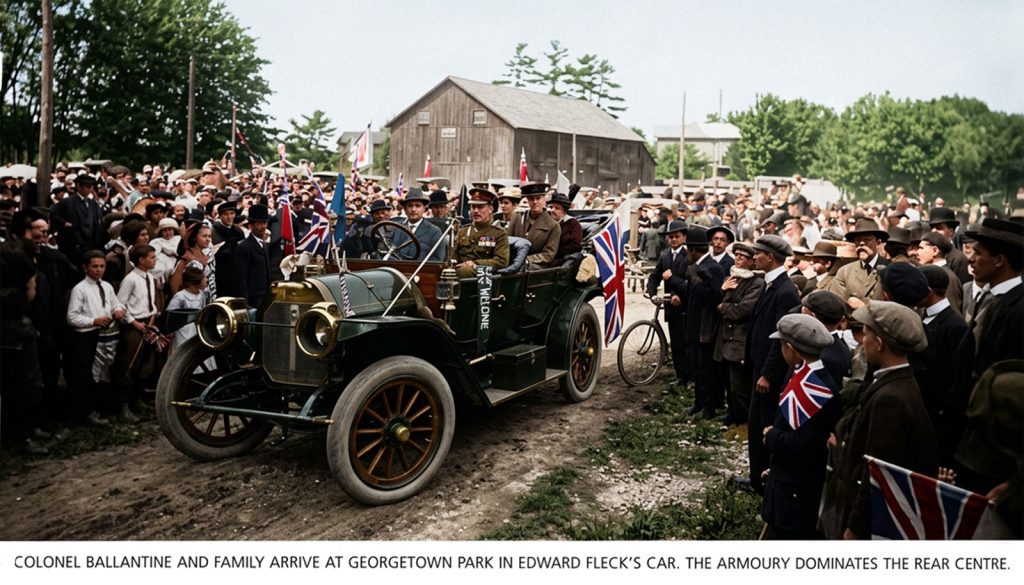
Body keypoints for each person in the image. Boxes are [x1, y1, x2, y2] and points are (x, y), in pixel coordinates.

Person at [820, 301, 935, 540]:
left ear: (879, 344)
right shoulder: (896, 382)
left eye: (867, 334)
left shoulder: (890, 399)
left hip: (867, 523)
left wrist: (855, 526)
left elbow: (877, 473)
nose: (863, 340)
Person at [761, 314, 841, 539]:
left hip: (796, 490)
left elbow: (802, 444)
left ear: (791, 348)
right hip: (789, 480)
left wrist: (772, 436)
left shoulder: (814, 388)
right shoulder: (808, 376)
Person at [743, 234, 801, 494]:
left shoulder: (785, 290)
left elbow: (781, 340)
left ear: (771, 257)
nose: (754, 257)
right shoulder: (771, 284)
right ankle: (757, 477)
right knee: (755, 424)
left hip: (769, 373)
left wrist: (767, 373)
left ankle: (763, 481)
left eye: (758, 253)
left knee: (763, 425)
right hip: (759, 365)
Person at [66, 250, 126, 426]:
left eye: (102, 266)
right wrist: (93, 320)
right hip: (89, 338)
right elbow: (72, 317)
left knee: (107, 372)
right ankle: (86, 411)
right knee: (90, 374)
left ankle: (103, 406)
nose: (99, 270)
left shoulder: (106, 286)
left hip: (109, 335)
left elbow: (115, 302)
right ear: (85, 268)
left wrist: (118, 309)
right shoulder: (80, 289)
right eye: (95, 266)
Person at [714, 242, 763, 426]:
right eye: (737, 256)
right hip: (725, 337)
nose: (738, 259)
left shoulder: (756, 283)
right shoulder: (731, 279)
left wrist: (723, 307)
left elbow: (744, 309)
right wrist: (722, 290)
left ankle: (742, 420)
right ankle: (732, 412)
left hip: (740, 338)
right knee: (727, 380)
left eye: (743, 257)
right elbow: (716, 301)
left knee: (739, 384)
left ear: (752, 262)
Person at [915, 265, 968, 437]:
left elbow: (956, 378)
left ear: (929, 291)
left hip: (937, 416)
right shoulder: (923, 316)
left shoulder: (955, 326)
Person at [112, 244, 161, 424]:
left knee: (144, 366)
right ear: (141, 260)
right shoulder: (131, 279)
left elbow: (150, 301)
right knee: (128, 365)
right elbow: (120, 304)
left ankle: (137, 401)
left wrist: (152, 316)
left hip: (148, 323)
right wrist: (134, 322)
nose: (155, 260)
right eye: (152, 257)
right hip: (134, 327)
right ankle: (122, 407)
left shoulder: (149, 276)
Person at [685, 226, 728, 418]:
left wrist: (697, 283)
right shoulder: (700, 267)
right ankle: (699, 403)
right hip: (696, 325)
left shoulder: (712, 267)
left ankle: (709, 408)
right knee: (697, 367)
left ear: (693, 250)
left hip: (707, 328)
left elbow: (717, 297)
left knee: (707, 369)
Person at [646, 220, 690, 386]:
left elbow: (690, 283)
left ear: (684, 237)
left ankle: (691, 377)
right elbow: (655, 276)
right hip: (671, 307)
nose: (673, 240)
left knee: (687, 343)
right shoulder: (665, 255)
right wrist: (651, 293)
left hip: (686, 306)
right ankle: (680, 377)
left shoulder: (689, 256)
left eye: (677, 236)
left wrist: (676, 287)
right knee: (676, 342)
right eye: (670, 237)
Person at [826, 217, 890, 308]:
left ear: (878, 242)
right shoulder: (845, 272)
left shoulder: (890, 269)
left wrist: (863, 307)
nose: (861, 244)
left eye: (867, 240)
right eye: (858, 240)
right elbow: (837, 305)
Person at [51, 173, 105, 266]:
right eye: (87, 186)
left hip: (90, 242)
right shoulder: (68, 202)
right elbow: (52, 213)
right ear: (78, 186)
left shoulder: (92, 203)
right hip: (74, 242)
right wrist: (64, 223)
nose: (89, 189)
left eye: (91, 186)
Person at [453, 188, 509, 278]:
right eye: (473, 207)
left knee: (464, 271)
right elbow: (454, 256)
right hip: (461, 269)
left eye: (480, 207)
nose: (475, 211)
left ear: (490, 209)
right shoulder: (463, 231)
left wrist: (475, 263)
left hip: (483, 274)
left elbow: (501, 261)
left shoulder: (499, 233)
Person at [508, 182, 560, 269]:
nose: (535, 202)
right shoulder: (517, 217)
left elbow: (548, 255)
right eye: (531, 199)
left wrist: (526, 260)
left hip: (534, 266)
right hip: (513, 261)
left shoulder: (553, 226)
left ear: (544, 199)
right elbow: (508, 241)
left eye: (538, 198)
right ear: (527, 200)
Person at [913, 232, 963, 315]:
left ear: (935, 250)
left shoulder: (948, 277)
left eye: (921, 248)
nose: (917, 252)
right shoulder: (930, 273)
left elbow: (952, 312)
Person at [234, 204, 273, 309]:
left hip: (265, 297)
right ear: (251, 226)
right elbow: (241, 278)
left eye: (265, 223)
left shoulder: (264, 245)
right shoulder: (244, 247)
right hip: (252, 299)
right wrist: (245, 303)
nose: (263, 226)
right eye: (259, 224)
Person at [392, 189, 447, 262]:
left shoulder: (434, 232)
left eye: (417, 206)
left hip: (422, 272)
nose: (413, 209)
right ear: (405, 209)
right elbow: (387, 252)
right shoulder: (395, 228)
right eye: (410, 206)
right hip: (396, 270)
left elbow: (437, 259)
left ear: (424, 209)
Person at [165, 265, 208, 351]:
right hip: (184, 331)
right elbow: (170, 314)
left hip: (197, 329)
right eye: (203, 278)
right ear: (195, 281)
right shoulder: (181, 297)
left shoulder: (202, 295)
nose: (206, 280)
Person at [169, 220, 215, 297]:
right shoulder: (186, 258)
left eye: (209, 236)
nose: (208, 239)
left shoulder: (206, 255)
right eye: (204, 236)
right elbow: (175, 285)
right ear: (194, 238)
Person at [928, 206, 971, 283]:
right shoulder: (927, 253)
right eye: (932, 227)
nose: (934, 231)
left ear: (951, 231)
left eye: (939, 228)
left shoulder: (958, 258)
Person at [211, 200, 244, 297]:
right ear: (220, 216)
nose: (229, 217)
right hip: (221, 276)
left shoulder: (238, 231)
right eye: (226, 214)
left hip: (237, 274)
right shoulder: (214, 233)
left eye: (232, 213)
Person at [547, 192, 582, 266]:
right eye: (551, 207)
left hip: (563, 259)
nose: (552, 210)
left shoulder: (573, 223)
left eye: (557, 208)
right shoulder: (547, 222)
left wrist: (555, 251)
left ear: (564, 211)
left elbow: (575, 245)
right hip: (547, 257)